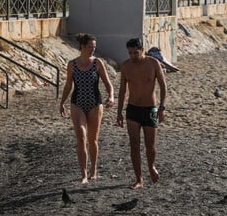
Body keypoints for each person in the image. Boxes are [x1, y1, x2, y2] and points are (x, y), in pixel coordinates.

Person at [59, 34, 114, 183]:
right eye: (90, 47)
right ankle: (83, 174)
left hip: (95, 103)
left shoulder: (98, 63)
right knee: (81, 138)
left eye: (94, 47)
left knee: (93, 140)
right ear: (82, 47)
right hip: (77, 103)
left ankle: (93, 169)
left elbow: (108, 83)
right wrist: (62, 103)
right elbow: (68, 85)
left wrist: (111, 96)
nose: (92, 50)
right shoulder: (72, 64)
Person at [117, 37, 167, 190]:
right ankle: (139, 179)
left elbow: (163, 87)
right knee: (134, 145)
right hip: (132, 109)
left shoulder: (153, 63)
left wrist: (162, 108)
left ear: (142, 50)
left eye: (136, 52)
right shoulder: (126, 66)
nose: (133, 55)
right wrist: (119, 112)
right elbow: (122, 90)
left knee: (150, 146)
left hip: (150, 109)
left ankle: (151, 166)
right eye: (130, 53)